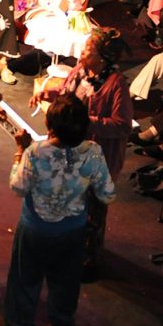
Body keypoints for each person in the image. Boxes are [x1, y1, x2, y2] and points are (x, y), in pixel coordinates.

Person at [0, 94, 115, 326]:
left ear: (50, 126)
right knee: (65, 283)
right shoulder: (93, 152)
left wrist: (19, 152)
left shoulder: (36, 152)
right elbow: (107, 194)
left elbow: (18, 187)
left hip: (35, 230)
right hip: (72, 232)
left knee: (24, 282)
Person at [52, 28, 132, 280]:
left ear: (103, 58)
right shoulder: (79, 72)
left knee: (92, 213)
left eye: (88, 49)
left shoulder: (115, 84)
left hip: (98, 160)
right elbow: (66, 96)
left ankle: (88, 260)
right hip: (71, 153)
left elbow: (122, 125)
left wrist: (87, 122)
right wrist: (49, 95)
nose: (83, 51)